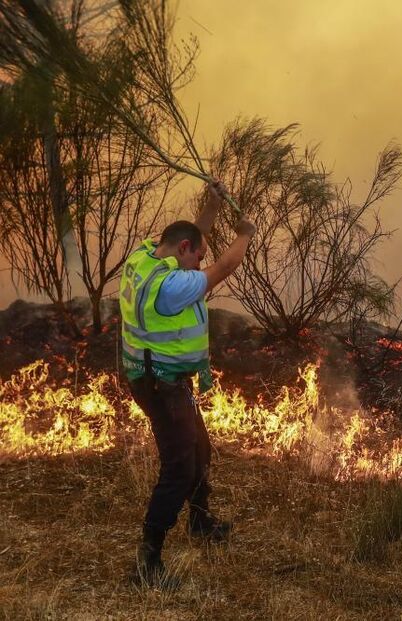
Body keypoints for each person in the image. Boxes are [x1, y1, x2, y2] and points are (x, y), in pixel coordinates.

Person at [119, 181, 256, 588]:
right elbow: (226, 266)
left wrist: (211, 207)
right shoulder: (173, 285)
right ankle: (149, 559)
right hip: (162, 386)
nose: (200, 263)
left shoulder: (145, 256)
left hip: (158, 378)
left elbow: (191, 235)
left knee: (199, 447)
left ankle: (199, 521)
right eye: (197, 257)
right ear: (182, 251)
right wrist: (245, 234)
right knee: (178, 466)